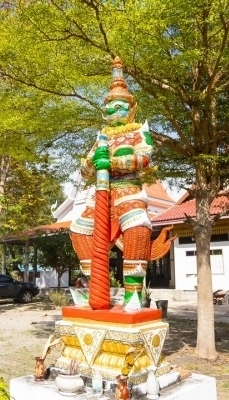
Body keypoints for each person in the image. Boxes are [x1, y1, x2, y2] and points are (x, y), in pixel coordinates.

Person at [70, 57, 153, 303]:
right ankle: (96, 288)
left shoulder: (138, 132)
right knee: (79, 231)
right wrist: (93, 162)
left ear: (131, 109)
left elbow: (144, 159)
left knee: (137, 228)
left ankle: (133, 294)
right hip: (102, 194)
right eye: (110, 107)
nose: (114, 111)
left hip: (129, 191)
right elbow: (85, 170)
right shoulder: (101, 138)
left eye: (120, 106)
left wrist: (113, 163)